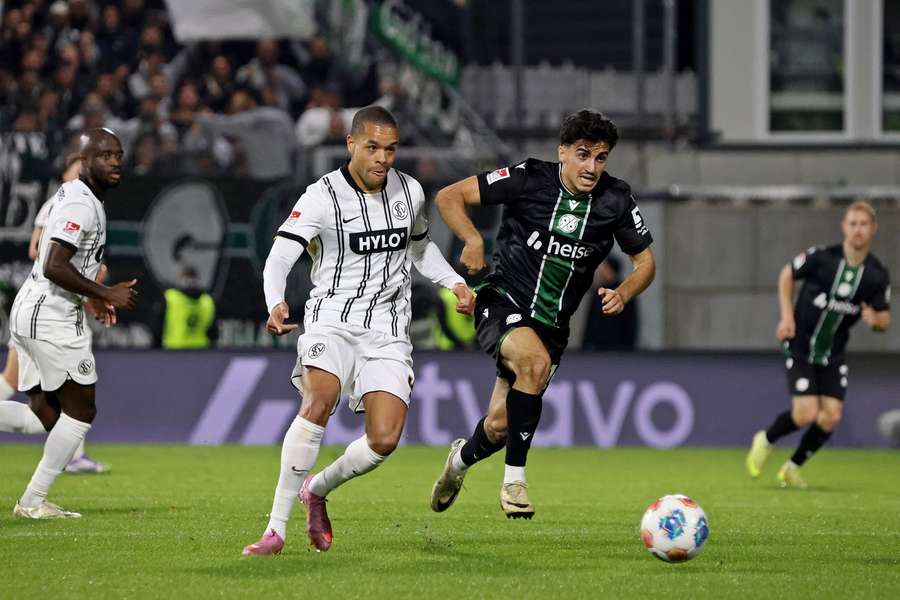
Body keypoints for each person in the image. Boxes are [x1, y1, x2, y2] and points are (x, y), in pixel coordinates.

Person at [241, 106, 474, 556]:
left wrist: (455, 282)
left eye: (390, 149)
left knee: (384, 440)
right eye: (372, 148)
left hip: (387, 332)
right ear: (351, 144)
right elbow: (280, 256)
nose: (382, 159)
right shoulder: (321, 196)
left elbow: (421, 250)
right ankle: (275, 529)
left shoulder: (410, 192)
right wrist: (275, 301)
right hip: (331, 319)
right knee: (318, 402)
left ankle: (318, 489)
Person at [428, 110, 656, 519]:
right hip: (502, 301)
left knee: (499, 426)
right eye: (583, 155)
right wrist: (471, 238)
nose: (591, 167)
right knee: (532, 363)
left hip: (552, 327)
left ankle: (458, 462)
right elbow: (449, 196)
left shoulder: (616, 200)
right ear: (563, 152)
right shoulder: (528, 178)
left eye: (600, 158)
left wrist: (624, 291)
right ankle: (514, 483)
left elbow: (645, 263)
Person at [7, 128, 138, 519]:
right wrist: (103, 293)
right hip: (51, 316)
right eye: (104, 156)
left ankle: (33, 501)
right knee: (81, 411)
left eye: (118, 154)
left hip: (32, 309)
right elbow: (54, 264)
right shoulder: (82, 204)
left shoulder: (78, 197)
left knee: (41, 414)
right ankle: (31, 503)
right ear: (85, 161)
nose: (115, 162)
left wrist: (90, 297)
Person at [746, 202, 891, 488]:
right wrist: (786, 316)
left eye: (863, 224)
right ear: (844, 227)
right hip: (800, 345)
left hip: (832, 354)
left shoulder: (876, 275)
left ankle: (791, 467)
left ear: (872, 229)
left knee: (831, 416)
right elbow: (787, 274)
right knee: (806, 413)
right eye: (852, 223)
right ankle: (766, 439)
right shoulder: (823, 258)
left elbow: (885, 320)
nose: (857, 229)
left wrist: (875, 319)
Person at [0, 152, 110, 474]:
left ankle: (72, 456)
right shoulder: (62, 204)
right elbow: (39, 251)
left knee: (42, 399)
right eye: (76, 170)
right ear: (65, 175)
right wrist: (92, 283)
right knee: (69, 398)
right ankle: (72, 456)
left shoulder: (86, 204)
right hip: (48, 309)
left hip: (52, 307)